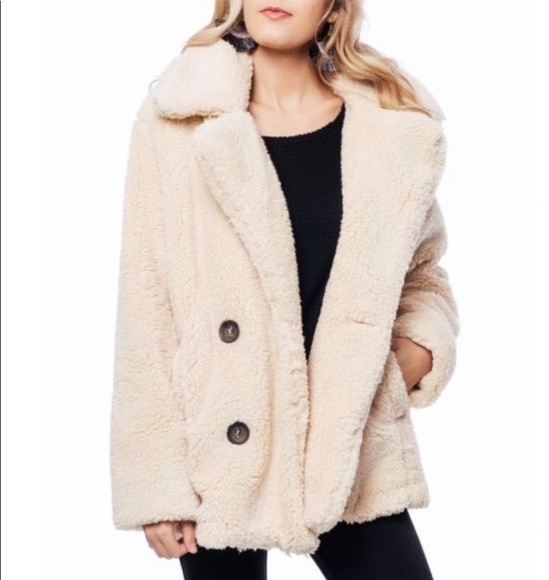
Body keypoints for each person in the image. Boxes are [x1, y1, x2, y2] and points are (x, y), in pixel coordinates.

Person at [109, 0, 460, 578]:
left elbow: (422, 275)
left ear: (333, 9)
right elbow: (147, 304)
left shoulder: (387, 129)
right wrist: (158, 485)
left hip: (347, 441)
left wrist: (414, 352)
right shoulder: (179, 120)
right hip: (222, 444)